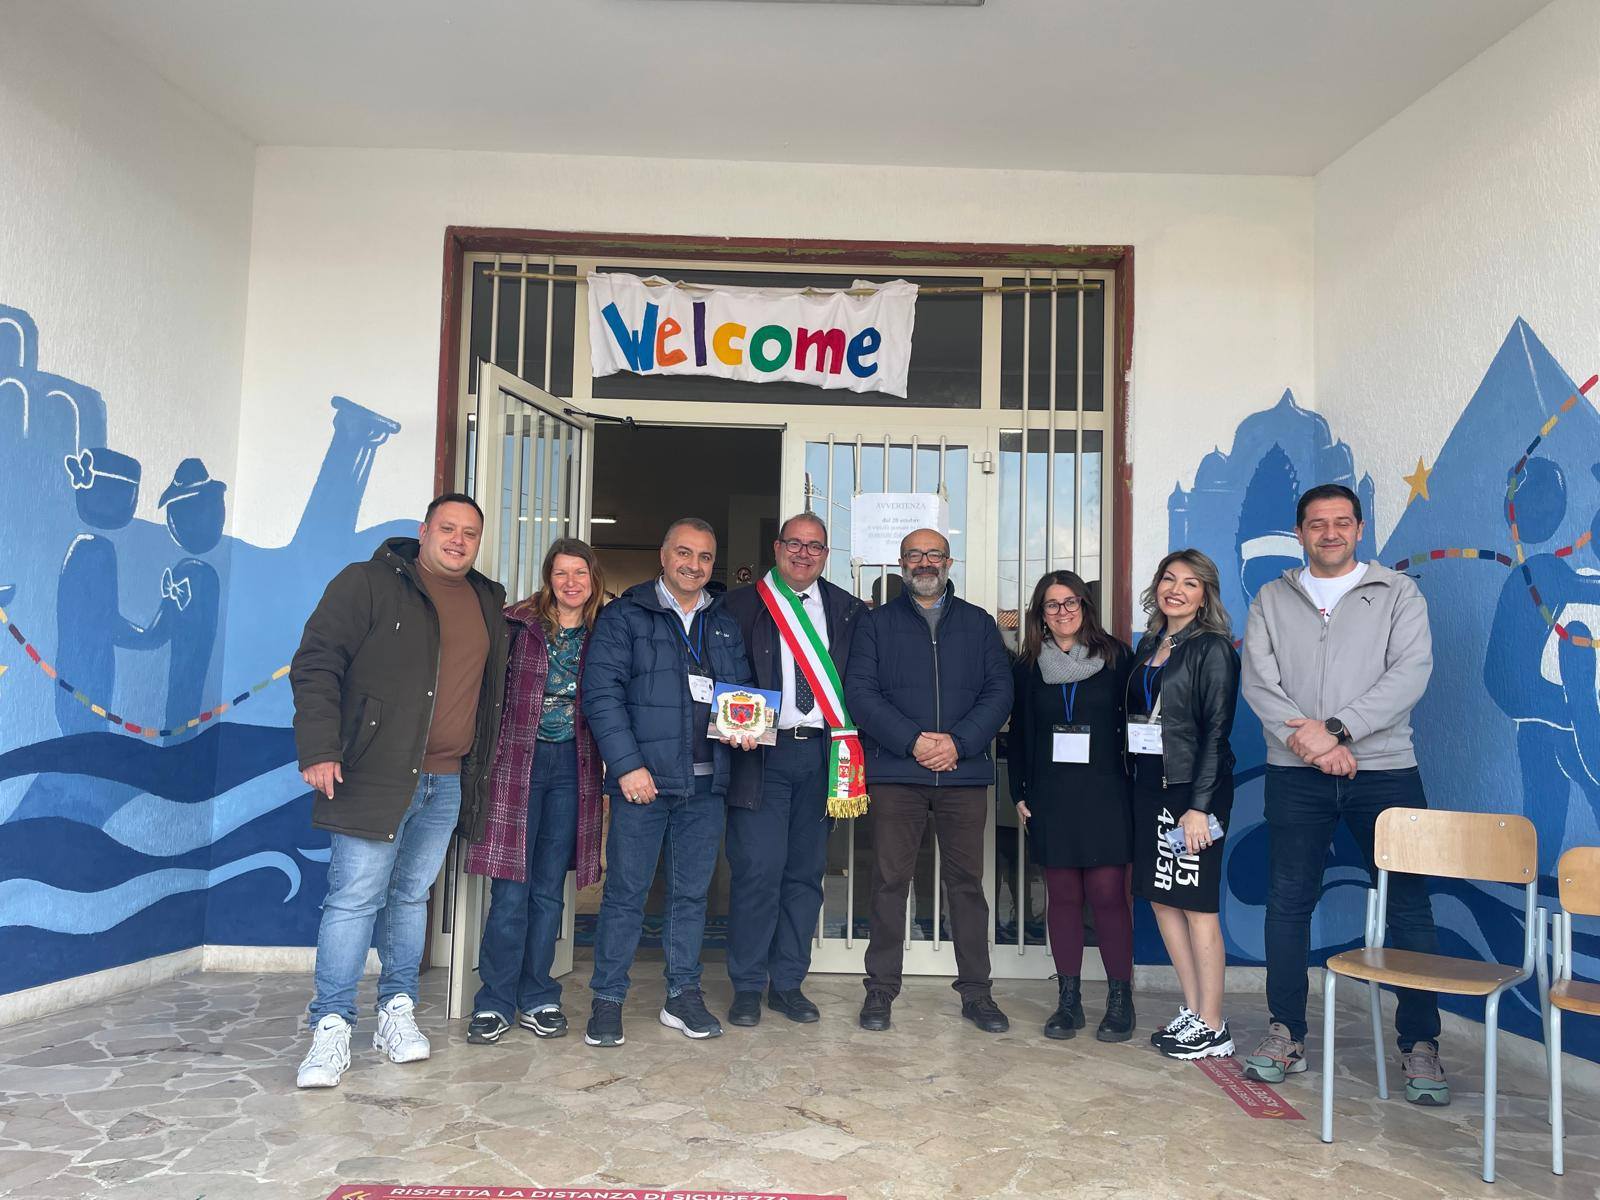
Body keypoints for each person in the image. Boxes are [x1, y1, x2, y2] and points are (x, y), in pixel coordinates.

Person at [291, 493, 510, 1089]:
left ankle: (396, 1011)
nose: (458, 540)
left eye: (470, 532)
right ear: (424, 530)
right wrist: (319, 747)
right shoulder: (368, 582)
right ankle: (332, 1024)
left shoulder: (487, 600)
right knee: (354, 899)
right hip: (371, 772)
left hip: (447, 779)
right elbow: (316, 662)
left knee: (411, 898)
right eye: (448, 528)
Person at [1239, 483, 1447, 1104]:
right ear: (1299, 533)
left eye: (1341, 522)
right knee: (1288, 903)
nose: (1329, 533)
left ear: (1359, 529)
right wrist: (1314, 745)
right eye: (1316, 524)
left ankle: (1420, 1043)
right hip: (1295, 774)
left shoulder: (1399, 592)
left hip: (1385, 771)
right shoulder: (1272, 598)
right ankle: (1286, 1033)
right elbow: (1260, 682)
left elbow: (1410, 673)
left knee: (1409, 907)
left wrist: (1336, 729)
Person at [580, 517, 756, 1047]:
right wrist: (626, 766)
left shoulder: (722, 621)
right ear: (663, 555)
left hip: (705, 785)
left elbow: (740, 689)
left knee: (691, 896)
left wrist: (746, 727)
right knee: (626, 894)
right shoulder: (625, 616)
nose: (693, 565)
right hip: (644, 784)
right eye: (684, 552)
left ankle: (682, 996)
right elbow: (602, 696)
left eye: (704, 557)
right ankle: (608, 998)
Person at [845, 528, 1014, 1033]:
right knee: (889, 882)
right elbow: (861, 692)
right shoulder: (876, 624)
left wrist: (958, 743)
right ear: (901, 564)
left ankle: (977, 993)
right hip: (898, 772)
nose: (925, 562)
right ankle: (880, 991)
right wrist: (913, 741)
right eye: (914, 555)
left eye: (933, 554)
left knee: (966, 886)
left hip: (963, 773)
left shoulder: (980, 624)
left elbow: (1000, 692)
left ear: (949, 562)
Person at [721, 513, 865, 1026]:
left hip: (822, 756)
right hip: (761, 755)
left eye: (815, 546)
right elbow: (721, 674)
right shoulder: (739, 605)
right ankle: (746, 985)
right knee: (757, 872)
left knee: (805, 875)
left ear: (826, 555)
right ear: (777, 547)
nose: (804, 553)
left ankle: (787, 984)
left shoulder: (848, 610)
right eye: (795, 544)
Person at [464, 538, 606, 1045]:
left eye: (580, 573)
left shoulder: (605, 632)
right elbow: (485, 694)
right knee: (510, 890)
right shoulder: (516, 624)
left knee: (548, 891)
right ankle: (494, 1001)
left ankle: (538, 996)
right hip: (516, 764)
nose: (571, 582)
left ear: (593, 579)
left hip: (573, 767)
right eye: (561, 573)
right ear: (549, 577)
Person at [1007, 570, 1135, 1041]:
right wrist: (1018, 791)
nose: (1062, 612)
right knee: (1061, 897)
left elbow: (1136, 721)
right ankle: (1069, 1002)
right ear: (1040, 614)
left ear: (1085, 606)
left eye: (1071, 602)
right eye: (1052, 604)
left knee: (1107, 895)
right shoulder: (1027, 666)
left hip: (1107, 792)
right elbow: (1020, 732)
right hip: (1052, 795)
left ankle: (1120, 1000)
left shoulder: (1117, 656)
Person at [1127, 549, 1239, 1061]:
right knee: (1162, 898)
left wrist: (1198, 807)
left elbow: (1216, 732)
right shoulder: (1151, 643)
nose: (1177, 589)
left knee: (1197, 905)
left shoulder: (1212, 648)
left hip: (1193, 794)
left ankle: (1214, 1025)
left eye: (1191, 583)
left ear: (1205, 594)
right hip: (1151, 787)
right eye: (1169, 579)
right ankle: (1195, 1011)